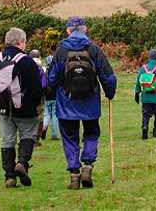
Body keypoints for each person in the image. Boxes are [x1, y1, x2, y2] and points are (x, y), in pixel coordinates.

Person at [48, 16, 117, 190]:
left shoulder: (61, 51)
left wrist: (50, 93)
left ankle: (74, 175)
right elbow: (108, 76)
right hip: (90, 103)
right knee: (91, 134)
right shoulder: (94, 49)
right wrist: (110, 93)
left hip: (66, 104)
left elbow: (52, 78)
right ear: (85, 29)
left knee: (70, 138)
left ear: (68, 31)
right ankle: (87, 165)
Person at [0, 28, 43, 188]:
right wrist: (33, 105)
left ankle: (9, 176)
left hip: (2, 109)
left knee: (7, 140)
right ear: (21, 42)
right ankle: (22, 163)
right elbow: (36, 88)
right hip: (24, 109)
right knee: (28, 135)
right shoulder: (26, 60)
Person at [29, 49, 46, 146]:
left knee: (29, 116)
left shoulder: (27, 66)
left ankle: (28, 137)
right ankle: (37, 139)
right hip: (40, 96)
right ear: (39, 57)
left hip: (29, 95)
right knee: (40, 117)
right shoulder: (42, 69)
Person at [42, 54, 59, 141]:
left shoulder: (43, 72)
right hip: (55, 97)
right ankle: (54, 134)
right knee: (55, 115)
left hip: (46, 97)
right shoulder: (56, 73)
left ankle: (44, 127)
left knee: (46, 114)